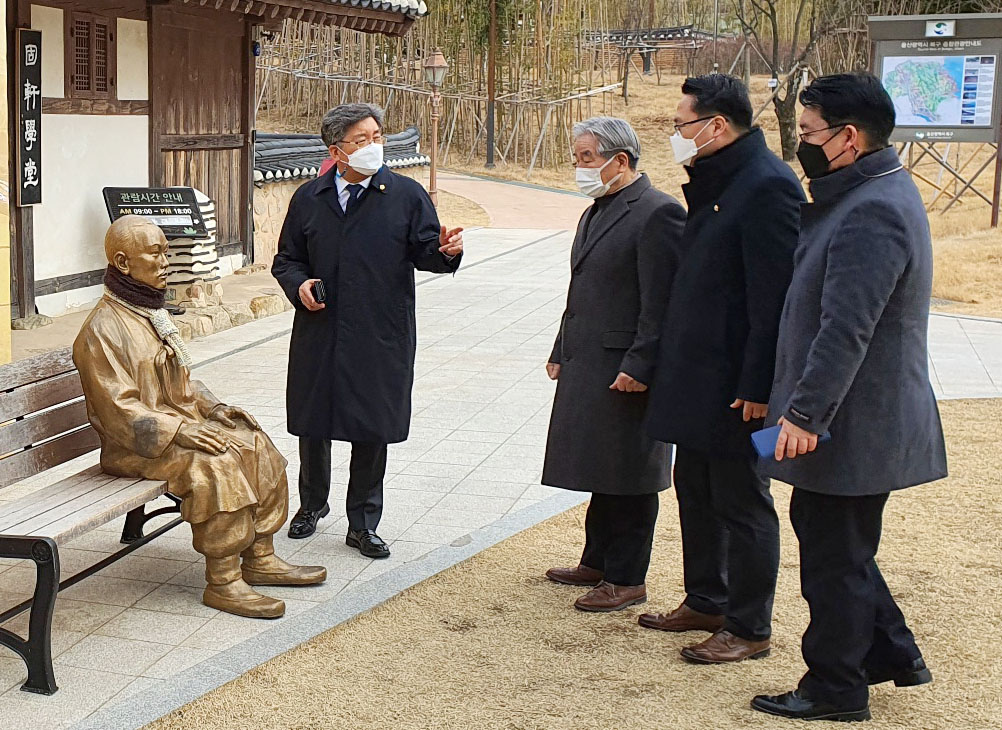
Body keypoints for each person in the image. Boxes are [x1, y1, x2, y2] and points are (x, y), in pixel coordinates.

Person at [751, 73, 947, 723]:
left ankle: (835, 687)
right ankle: (891, 651)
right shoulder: (865, 191)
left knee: (834, 555)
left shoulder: (873, 209)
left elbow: (847, 327)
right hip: (853, 417)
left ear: (848, 138)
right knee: (840, 541)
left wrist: (805, 414)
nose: (800, 144)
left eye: (808, 134)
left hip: (853, 421)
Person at [73, 216, 326, 619]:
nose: (165, 261)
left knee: (252, 439)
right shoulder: (102, 329)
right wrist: (182, 430)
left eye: (165, 251)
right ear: (123, 263)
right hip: (134, 446)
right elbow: (118, 410)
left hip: (174, 430)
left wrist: (214, 409)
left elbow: (183, 380)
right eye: (155, 253)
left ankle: (260, 556)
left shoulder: (147, 311)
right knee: (217, 464)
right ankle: (223, 581)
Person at [641, 74, 804, 664]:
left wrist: (759, 385)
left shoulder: (767, 186)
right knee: (696, 489)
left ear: (716, 125)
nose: (676, 135)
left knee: (741, 499)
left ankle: (749, 624)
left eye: (682, 124)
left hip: (737, 381)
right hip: (697, 374)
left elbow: (773, 298)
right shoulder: (717, 180)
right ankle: (706, 597)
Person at [272, 103, 464, 557]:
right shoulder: (309, 198)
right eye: (362, 140)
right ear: (336, 150)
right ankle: (311, 507)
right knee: (313, 423)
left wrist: (447, 250)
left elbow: (427, 253)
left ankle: (363, 521)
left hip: (381, 331)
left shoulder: (405, 195)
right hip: (321, 328)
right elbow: (287, 259)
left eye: (378, 136)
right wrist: (299, 286)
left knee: (371, 426)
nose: (374, 146)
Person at [542, 117, 687, 612]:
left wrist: (641, 364)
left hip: (627, 365)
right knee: (599, 463)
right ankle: (597, 560)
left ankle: (628, 577)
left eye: (586, 157)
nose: (579, 167)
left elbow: (662, 301)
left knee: (630, 469)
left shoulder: (658, 213)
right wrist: (561, 348)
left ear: (619, 160)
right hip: (589, 357)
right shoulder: (596, 210)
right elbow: (581, 289)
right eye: (578, 156)